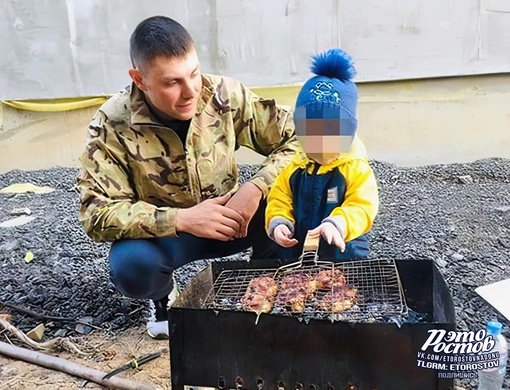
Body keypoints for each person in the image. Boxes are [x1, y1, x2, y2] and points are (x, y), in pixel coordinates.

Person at [76, 15, 300, 339]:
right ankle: (162, 296)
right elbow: (96, 214)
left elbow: (301, 141)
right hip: (168, 238)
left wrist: (256, 187)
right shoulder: (111, 124)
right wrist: (180, 219)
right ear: (139, 80)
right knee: (131, 265)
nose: (190, 91)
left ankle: (265, 281)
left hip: (232, 220)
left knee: (304, 197)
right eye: (172, 82)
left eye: (193, 73)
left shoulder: (224, 94)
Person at [265, 48, 379, 261]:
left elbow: (363, 206)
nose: (319, 139)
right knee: (298, 290)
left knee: (345, 291)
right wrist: (279, 221)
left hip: (344, 255)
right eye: (310, 130)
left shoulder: (355, 169)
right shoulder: (295, 167)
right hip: (300, 254)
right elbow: (279, 197)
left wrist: (339, 223)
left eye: (330, 129)